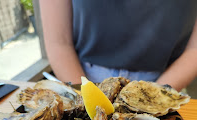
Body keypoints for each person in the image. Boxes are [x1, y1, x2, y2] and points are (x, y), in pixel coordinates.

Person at [39, 0, 197, 91]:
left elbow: (194, 49)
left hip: (167, 83)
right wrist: (85, 95)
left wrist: (154, 96)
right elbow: (59, 42)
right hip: (81, 78)